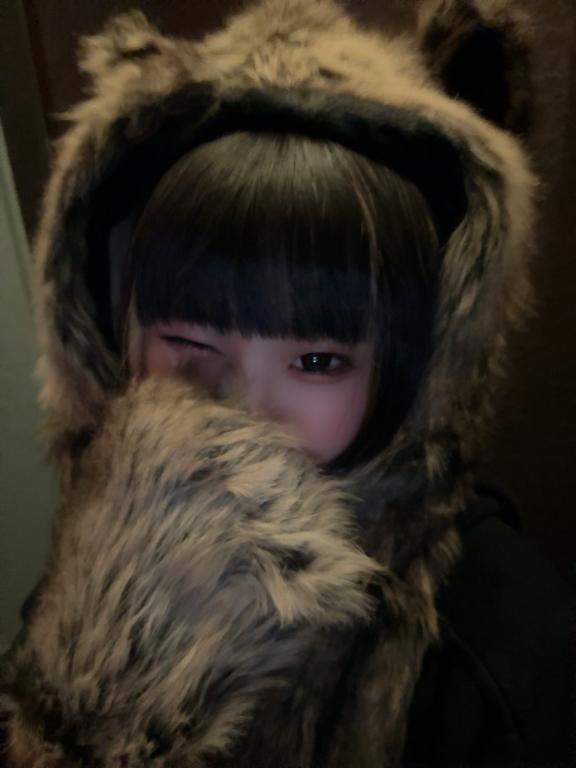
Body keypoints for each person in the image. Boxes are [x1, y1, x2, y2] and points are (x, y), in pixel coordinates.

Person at [0, 0, 574, 766]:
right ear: (117, 336)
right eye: (189, 342)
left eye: (317, 362)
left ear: (412, 372)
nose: (249, 411)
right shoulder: (98, 545)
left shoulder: (497, 657)